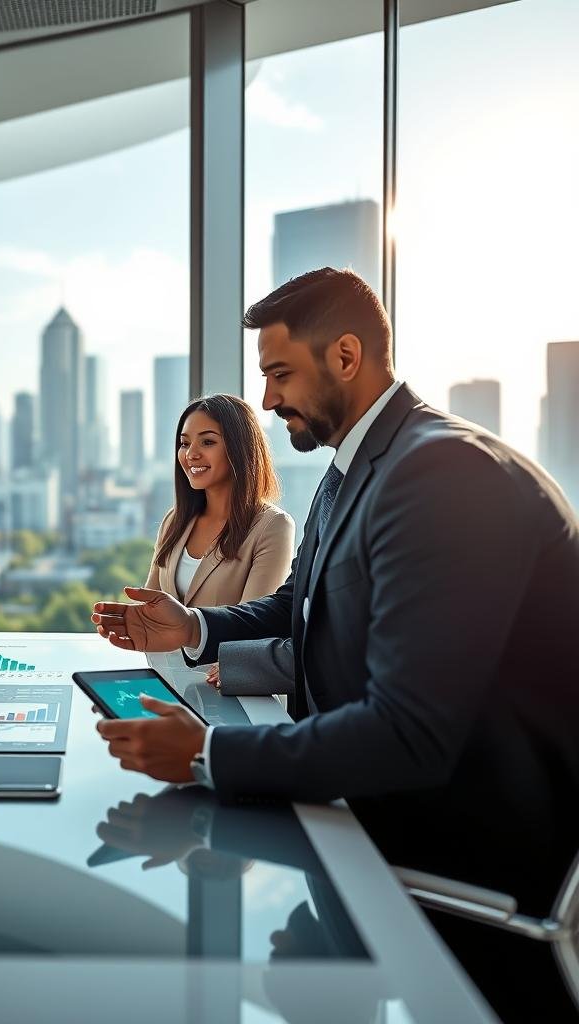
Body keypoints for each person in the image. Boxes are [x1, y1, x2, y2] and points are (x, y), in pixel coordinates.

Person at [90, 268, 579, 935]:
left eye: (281, 374)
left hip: (460, 886)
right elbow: (300, 605)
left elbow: (409, 732)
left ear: (345, 357)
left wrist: (209, 755)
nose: (265, 399)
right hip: (368, 830)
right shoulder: (352, 471)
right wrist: (193, 626)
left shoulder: (444, 474)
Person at [145, 394, 293, 688]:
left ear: (239, 449)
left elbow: (253, 628)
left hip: (232, 688)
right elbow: (151, 608)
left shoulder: (272, 526)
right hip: (169, 682)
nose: (191, 454)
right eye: (185, 443)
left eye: (207, 442)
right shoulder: (175, 521)